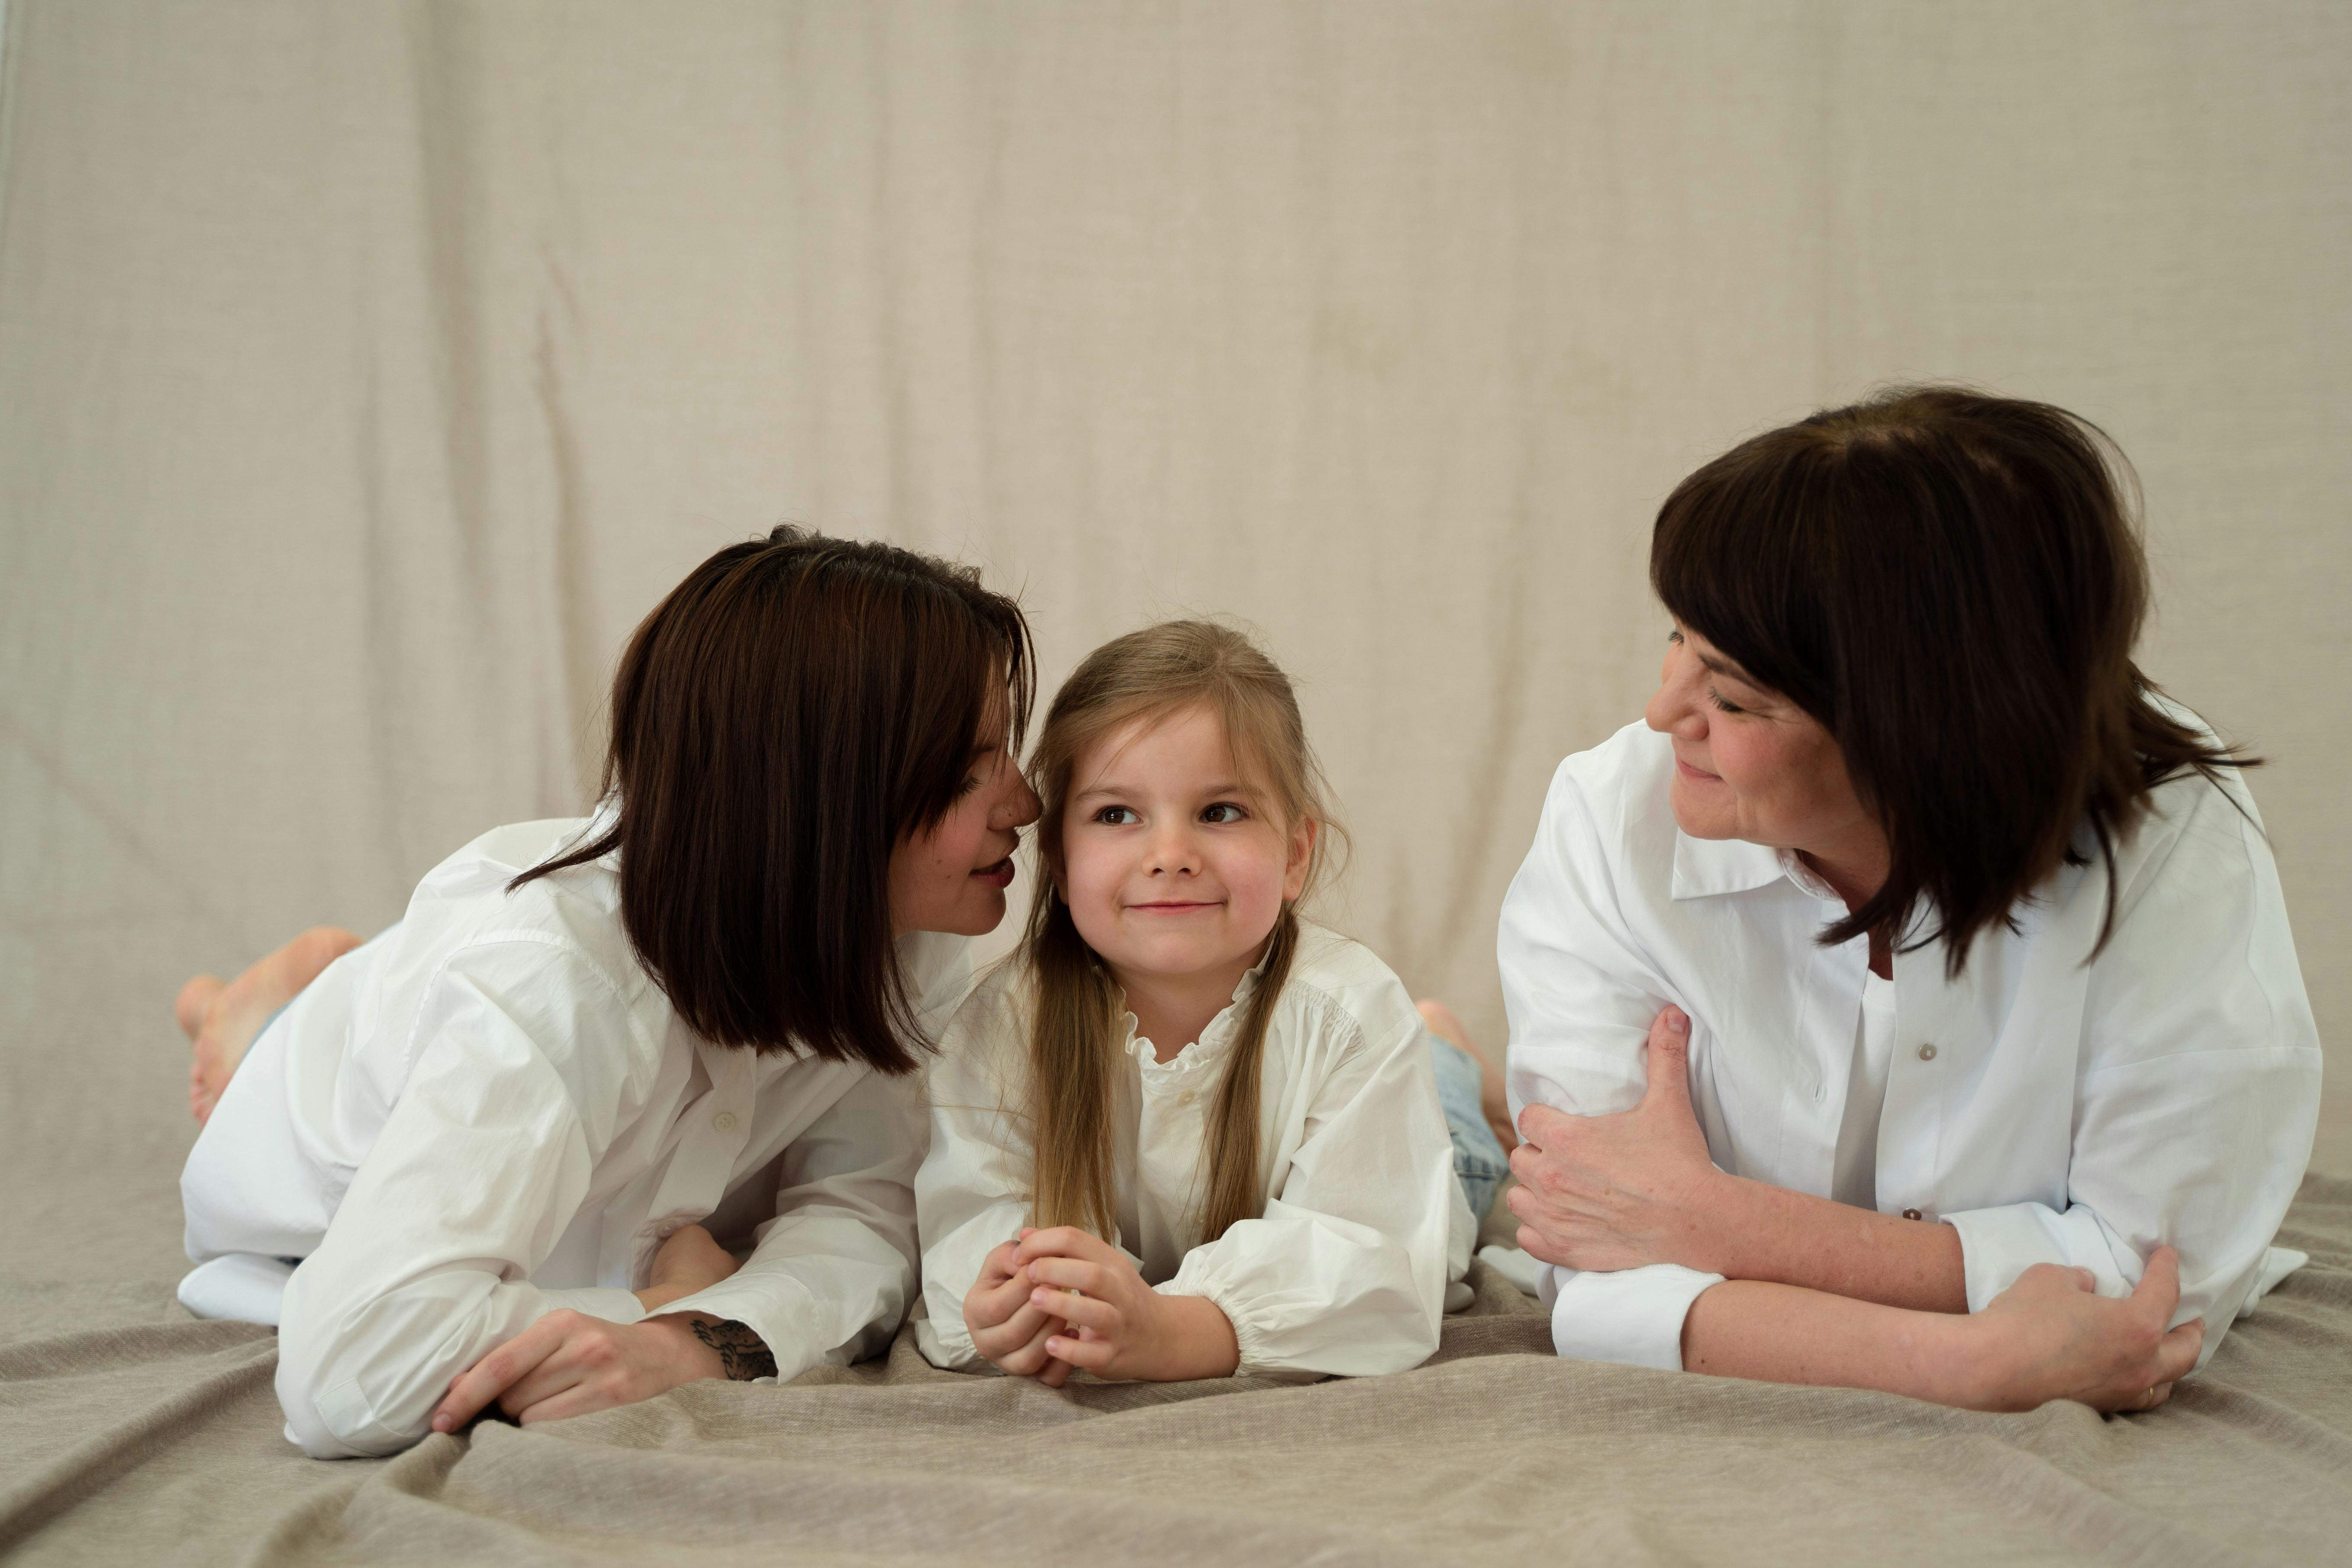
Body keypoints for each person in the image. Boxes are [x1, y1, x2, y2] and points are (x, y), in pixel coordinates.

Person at [1491, 387, 2320, 1412]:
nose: (1663, 711)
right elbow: (1601, 1267)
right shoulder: (1609, 815)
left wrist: (1720, 1225)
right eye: (1678, 640)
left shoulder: (2169, 837)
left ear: (1918, 736)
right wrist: (1965, 1362)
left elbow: (2151, 1282)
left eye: (1735, 697)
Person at [173, 527, 1041, 1457]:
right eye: (966, 773)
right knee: (286, 1065)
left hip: (555, 1073)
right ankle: (256, 1021)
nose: (1026, 805)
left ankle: (322, 983)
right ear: (820, 799)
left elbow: (867, 1217)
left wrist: (694, 1346)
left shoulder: (905, 933)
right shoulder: (553, 977)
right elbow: (352, 1372)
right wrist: (658, 1306)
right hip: (307, 1124)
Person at [914, 620, 1501, 1383]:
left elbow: (1376, 1254)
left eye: (1219, 812)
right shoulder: (1000, 1025)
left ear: (1294, 856)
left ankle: (1444, 1052)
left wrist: (1177, 1327)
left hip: (1422, 1149)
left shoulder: (1350, 1013)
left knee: (1465, 1169)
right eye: (1116, 815)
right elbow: (974, 1211)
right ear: (1057, 858)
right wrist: (1018, 1298)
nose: (1169, 856)